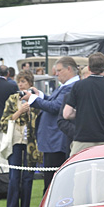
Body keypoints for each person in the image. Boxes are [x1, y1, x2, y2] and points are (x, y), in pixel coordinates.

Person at [26, 56, 79, 191]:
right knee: (50, 180)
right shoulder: (66, 86)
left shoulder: (71, 87)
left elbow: (55, 107)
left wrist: (33, 99)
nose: (56, 73)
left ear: (69, 69)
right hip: (53, 139)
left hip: (57, 140)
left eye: (59, 70)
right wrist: (41, 96)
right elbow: (54, 102)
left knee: (52, 182)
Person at [62, 51, 104, 154]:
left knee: (79, 169)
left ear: (89, 68)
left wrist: (82, 112)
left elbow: (66, 114)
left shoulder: (78, 86)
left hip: (81, 141)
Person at [0, 69, 39, 207]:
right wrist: (19, 111)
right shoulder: (12, 99)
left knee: (28, 179)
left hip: (31, 143)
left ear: (30, 83)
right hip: (15, 141)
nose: (21, 84)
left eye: (24, 81)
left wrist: (31, 110)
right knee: (14, 178)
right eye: (19, 81)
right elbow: (3, 122)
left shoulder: (36, 99)